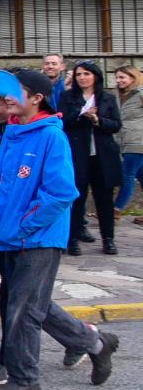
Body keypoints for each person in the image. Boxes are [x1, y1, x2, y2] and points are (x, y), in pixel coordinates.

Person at [0, 70, 121, 390]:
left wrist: (22, 228)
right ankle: (94, 342)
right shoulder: (12, 133)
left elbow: (60, 193)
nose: (5, 98)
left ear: (36, 98)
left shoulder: (50, 137)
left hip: (38, 239)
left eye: (14, 92)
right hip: (8, 238)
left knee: (23, 310)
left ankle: (26, 379)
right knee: (31, 304)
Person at [60, 60, 122, 255]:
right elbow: (63, 121)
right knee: (77, 197)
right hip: (78, 154)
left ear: (95, 76)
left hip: (103, 156)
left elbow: (116, 124)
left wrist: (97, 120)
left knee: (104, 198)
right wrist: (81, 114)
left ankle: (108, 239)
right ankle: (73, 238)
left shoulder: (107, 98)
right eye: (79, 74)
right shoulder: (67, 96)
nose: (82, 78)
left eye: (87, 74)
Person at [118, 65, 143, 215]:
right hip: (125, 141)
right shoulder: (120, 96)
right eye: (117, 77)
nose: (118, 80)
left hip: (137, 142)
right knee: (140, 175)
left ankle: (116, 210)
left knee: (127, 174)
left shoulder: (140, 94)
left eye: (122, 77)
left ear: (132, 78)